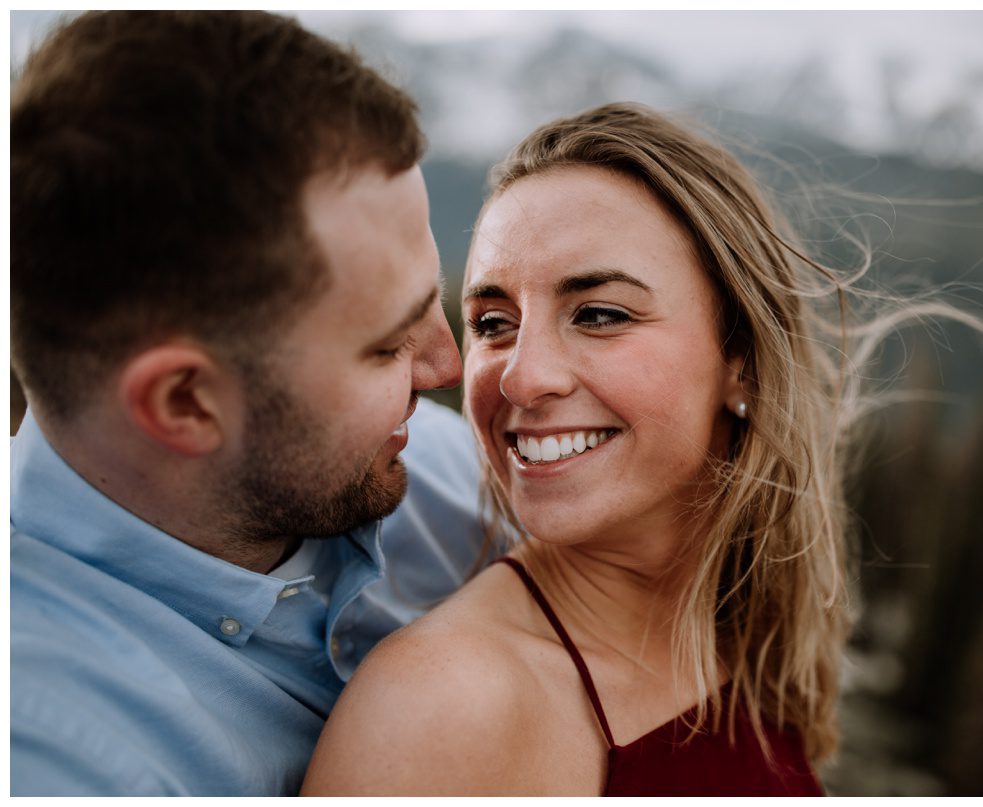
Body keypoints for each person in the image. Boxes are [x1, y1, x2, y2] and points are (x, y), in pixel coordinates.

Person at [303, 102, 869, 796]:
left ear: (741, 360)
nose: (522, 375)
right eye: (493, 322)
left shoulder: (747, 640)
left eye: (599, 314)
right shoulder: (445, 707)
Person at [10, 11, 486, 796]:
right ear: (187, 403)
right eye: (387, 344)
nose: (447, 365)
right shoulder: (56, 756)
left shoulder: (428, 471)